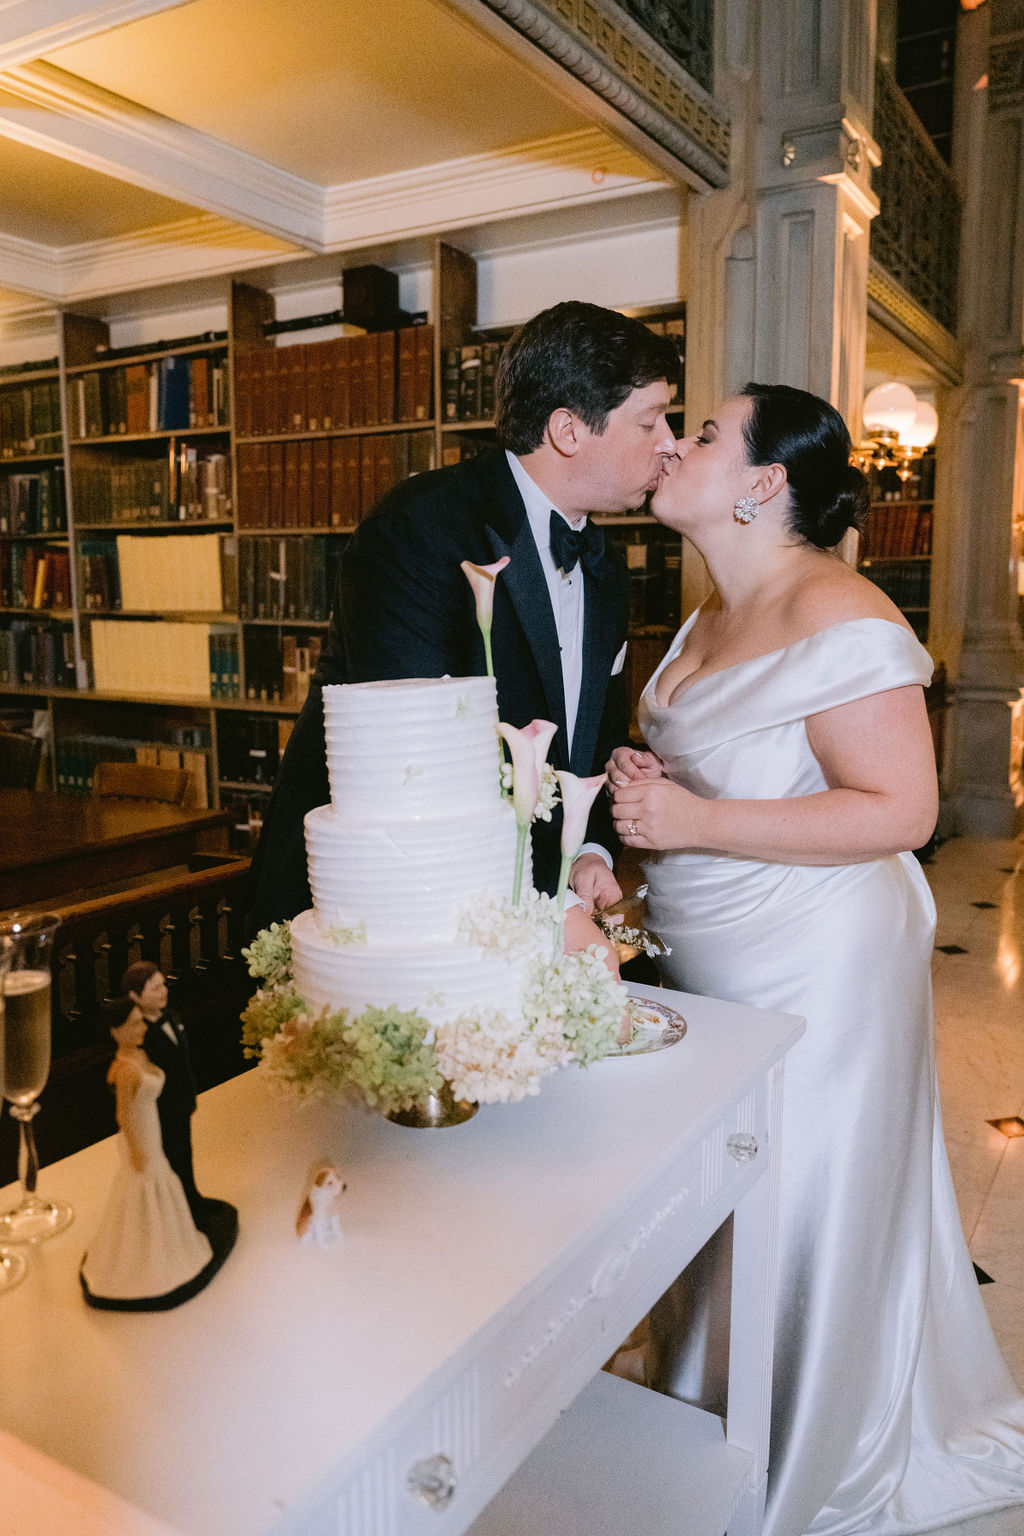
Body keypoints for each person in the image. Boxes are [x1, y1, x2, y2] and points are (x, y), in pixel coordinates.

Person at [608, 383, 1024, 1534]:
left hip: (819, 958)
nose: (673, 447)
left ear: (762, 482)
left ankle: (807, 1439)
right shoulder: (703, 614)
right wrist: (661, 796)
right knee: (727, 1188)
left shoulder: (844, 612)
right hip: (715, 948)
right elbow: (738, 775)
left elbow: (899, 808)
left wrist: (694, 822)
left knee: (801, 1191)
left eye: (700, 435)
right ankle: (715, 1400)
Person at [246, 301, 680, 947]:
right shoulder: (419, 527)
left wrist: (587, 850)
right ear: (568, 430)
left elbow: (586, 737)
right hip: (377, 911)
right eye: (650, 420)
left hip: (528, 901)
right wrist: (543, 906)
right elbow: (411, 760)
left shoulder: (607, 565)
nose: (669, 441)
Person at [80, 1006, 213, 1308]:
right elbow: (123, 1114)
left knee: (160, 1180)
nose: (142, 1027)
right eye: (134, 1023)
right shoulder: (126, 1070)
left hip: (152, 1127)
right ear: (116, 1031)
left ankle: (163, 1243)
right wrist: (137, 1148)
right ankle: (142, 1257)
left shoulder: (139, 1056)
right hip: (141, 1136)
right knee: (145, 1183)